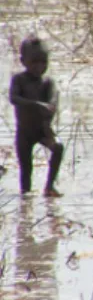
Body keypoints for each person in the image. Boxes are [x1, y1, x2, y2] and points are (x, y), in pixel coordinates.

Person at [8, 36, 65, 197]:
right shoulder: (18, 80)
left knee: (58, 147)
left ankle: (49, 186)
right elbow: (13, 99)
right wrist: (37, 105)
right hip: (24, 133)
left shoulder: (48, 82)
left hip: (42, 131)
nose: (39, 67)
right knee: (26, 174)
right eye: (34, 62)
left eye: (43, 62)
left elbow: (53, 103)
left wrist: (48, 121)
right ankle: (26, 207)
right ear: (23, 61)